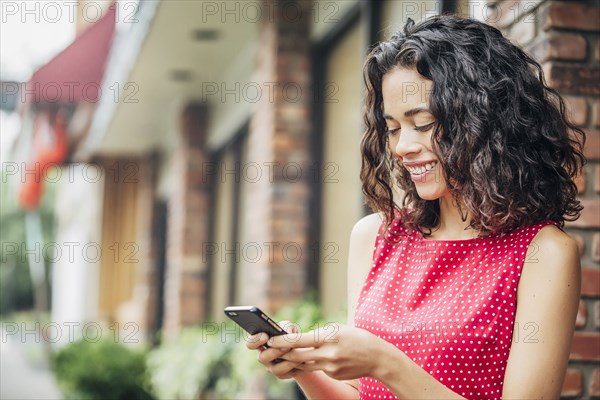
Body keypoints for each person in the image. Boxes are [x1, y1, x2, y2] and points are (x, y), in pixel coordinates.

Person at [246, 14, 585, 399]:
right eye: (392, 128)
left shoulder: (543, 253)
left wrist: (385, 363)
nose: (402, 146)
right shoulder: (375, 236)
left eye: (421, 123)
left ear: (485, 121)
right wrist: (305, 370)